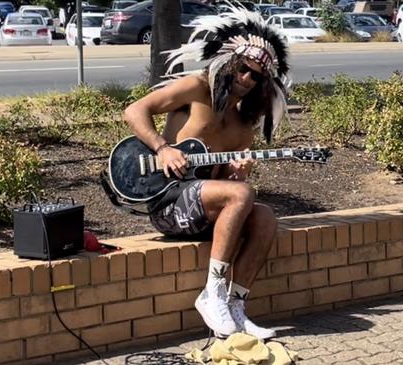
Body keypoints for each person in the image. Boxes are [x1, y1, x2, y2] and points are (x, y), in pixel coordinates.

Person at [122, 6, 290, 340]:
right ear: (230, 62)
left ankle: (236, 306)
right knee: (242, 196)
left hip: (202, 210)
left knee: (266, 217)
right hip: (167, 201)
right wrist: (162, 148)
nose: (246, 78)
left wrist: (238, 172)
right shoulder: (196, 89)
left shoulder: (244, 127)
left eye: (256, 76)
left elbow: (228, 188)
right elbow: (134, 110)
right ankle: (212, 294)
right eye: (243, 69)